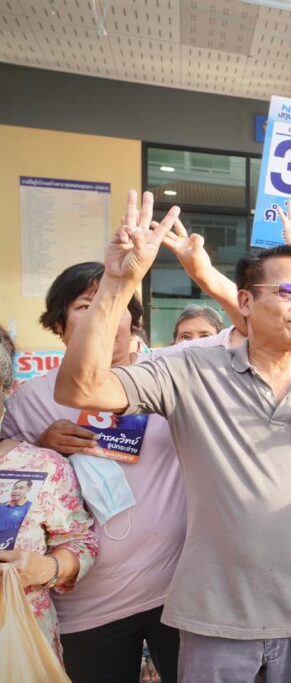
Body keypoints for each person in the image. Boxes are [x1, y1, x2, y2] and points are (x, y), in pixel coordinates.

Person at [52, 190, 291, 682]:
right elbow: (80, 389)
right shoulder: (189, 371)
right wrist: (118, 284)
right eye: (287, 292)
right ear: (244, 302)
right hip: (214, 618)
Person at [1, 261, 186, 682]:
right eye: (87, 306)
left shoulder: (169, 374)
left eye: (115, 304)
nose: (104, 315)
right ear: (60, 325)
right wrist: (43, 445)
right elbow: (13, 475)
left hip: (176, 593)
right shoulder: (30, 400)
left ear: (134, 321)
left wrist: (201, 270)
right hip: (87, 609)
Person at [0, 324, 98, 661]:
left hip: (20, 647)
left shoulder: (42, 465)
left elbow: (81, 542)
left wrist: (44, 568)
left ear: (7, 390)